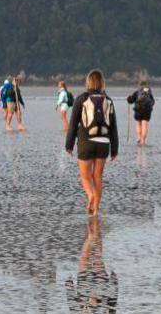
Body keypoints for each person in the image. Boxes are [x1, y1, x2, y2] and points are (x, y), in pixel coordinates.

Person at [65, 69, 119, 216]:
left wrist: (69, 145)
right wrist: (115, 149)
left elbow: (73, 124)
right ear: (102, 83)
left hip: (85, 141)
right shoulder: (108, 100)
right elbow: (113, 127)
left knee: (85, 176)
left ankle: (90, 196)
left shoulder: (81, 99)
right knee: (98, 176)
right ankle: (96, 210)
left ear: (88, 82)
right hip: (103, 142)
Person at [65, 218, 118, 311]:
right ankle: (92, 226)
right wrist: (114, 283)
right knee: (93, 254)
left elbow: (73, 306)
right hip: (95, 286)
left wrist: (69, 286)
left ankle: (93, 226)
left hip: (90, 286)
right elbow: (112, 306)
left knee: (93, 254)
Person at [126, 81, 155, 146]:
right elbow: (153, 102)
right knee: (145, 125)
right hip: (147, 111)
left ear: (140, 85)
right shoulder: (149, 93)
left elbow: (130, 100)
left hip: (138, 110)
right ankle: (143, 141)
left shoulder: (137, 92)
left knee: (139, 123)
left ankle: (139, 137)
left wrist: (128, 99)